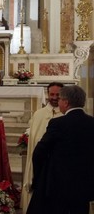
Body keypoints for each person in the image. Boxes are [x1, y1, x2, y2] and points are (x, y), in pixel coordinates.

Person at [27, 85, 94, 214]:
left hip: (58, 183)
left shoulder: (58, 123)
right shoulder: (91, 122)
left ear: (66, 102)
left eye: (60, 99)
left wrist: (39, 177)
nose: (58, 102)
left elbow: (39, 152)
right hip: (85, 182)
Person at [21, 82, 64, 213]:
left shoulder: (66, 115)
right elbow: (34, 142)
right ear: (47, 94)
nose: (55, 97)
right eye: (52, 94)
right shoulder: (38, 114)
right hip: (39, 163)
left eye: (58, 94)